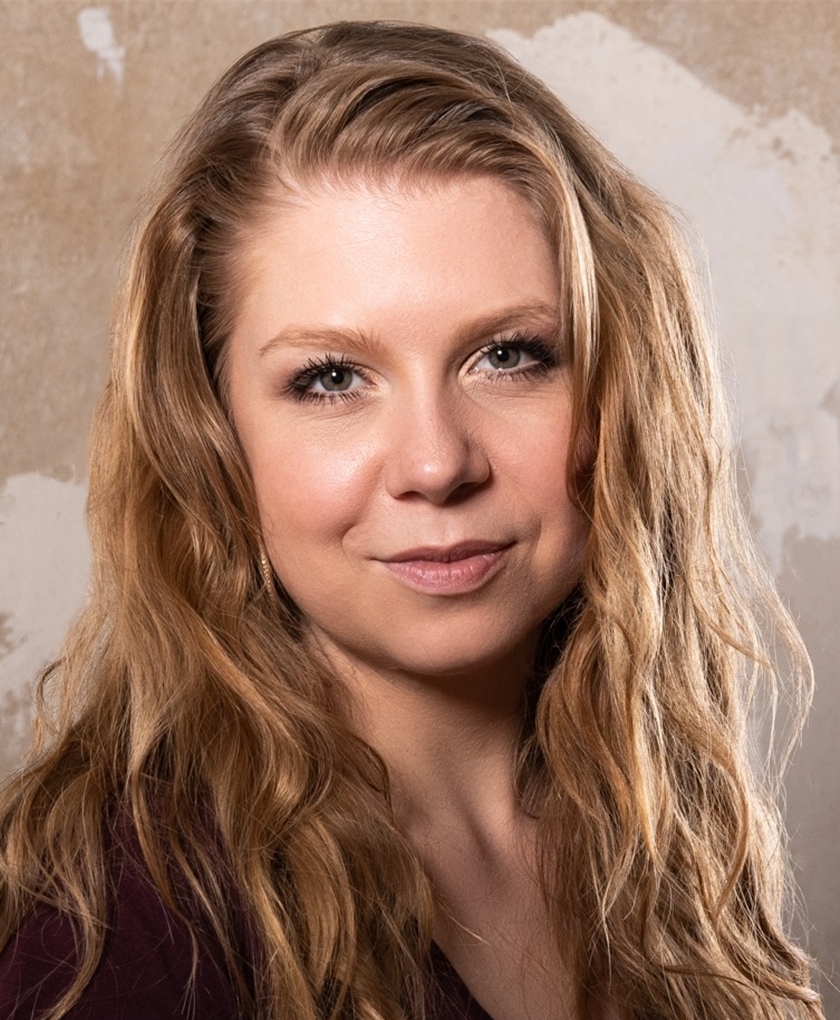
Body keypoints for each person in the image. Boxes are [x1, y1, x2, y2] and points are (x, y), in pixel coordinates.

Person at [0, 19, 824, 1020]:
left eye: (508, 356)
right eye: (331, 378)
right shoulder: (118, 938)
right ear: (210, 436)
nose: (437, 464)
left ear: (620, 395)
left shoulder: (665, 836)